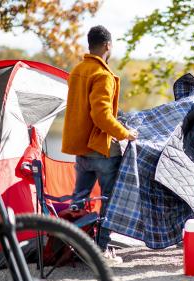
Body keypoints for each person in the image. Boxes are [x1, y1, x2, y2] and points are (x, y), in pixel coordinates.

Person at [61, 25, 138, 262]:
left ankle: (73, 248)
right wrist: (125, 133)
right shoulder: (102, 75)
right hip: (101, 150)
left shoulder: (77, 70)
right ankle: (102, 250)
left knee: (80, 200)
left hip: (81, 149)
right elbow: (101, 115)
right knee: (109, 201)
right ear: (107, 46)